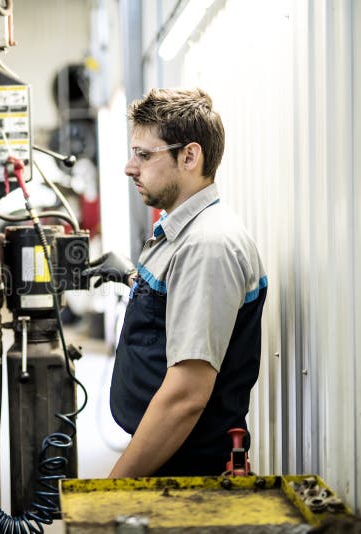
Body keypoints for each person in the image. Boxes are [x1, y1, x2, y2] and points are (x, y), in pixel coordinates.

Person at [83, 88, 267, 477]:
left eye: (144, 155)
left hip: (186, 466)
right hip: (168, 454)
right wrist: (134, 277)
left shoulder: (207, 246)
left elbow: (185, 396)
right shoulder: (184, 231)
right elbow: (177, 306)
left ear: (189, 156)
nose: (130, 167)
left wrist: (114, 491)